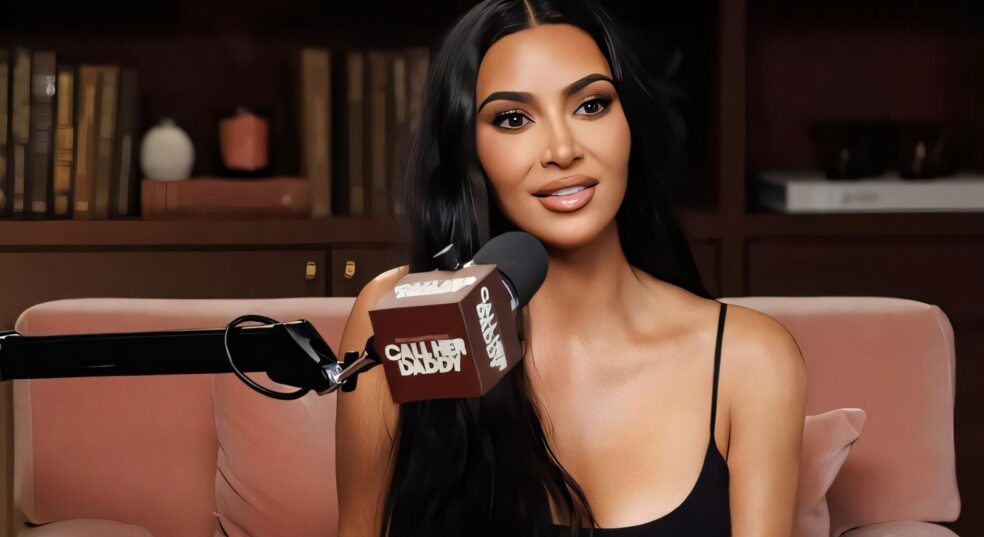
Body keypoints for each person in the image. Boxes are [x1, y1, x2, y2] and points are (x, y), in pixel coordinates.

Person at [335, 1, 806, 536]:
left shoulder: (752, 360)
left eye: (591, 105)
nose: (562, 149)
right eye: (513, 119)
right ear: (468, 150)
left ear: (630, 121)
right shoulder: (396, 316)